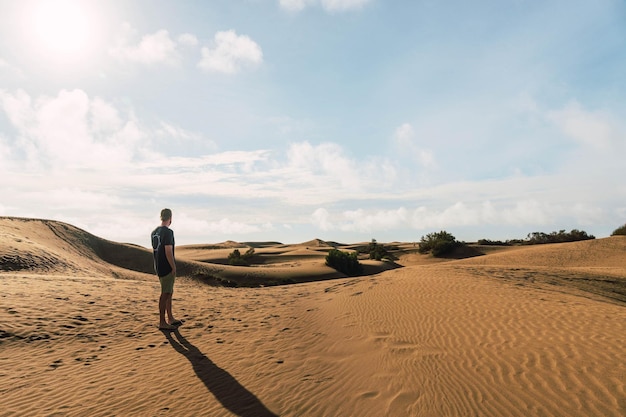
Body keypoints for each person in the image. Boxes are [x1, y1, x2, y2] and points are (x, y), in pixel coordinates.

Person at [151, 208, 182, 330]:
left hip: (158, 265)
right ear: (170, 218)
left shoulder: (154, 232)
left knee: (169, 291)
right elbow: (168, 251)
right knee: (165, 293)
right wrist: (173, 266)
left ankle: (170, 317)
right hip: (166, 266)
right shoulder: (168, 232)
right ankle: (162, 322)